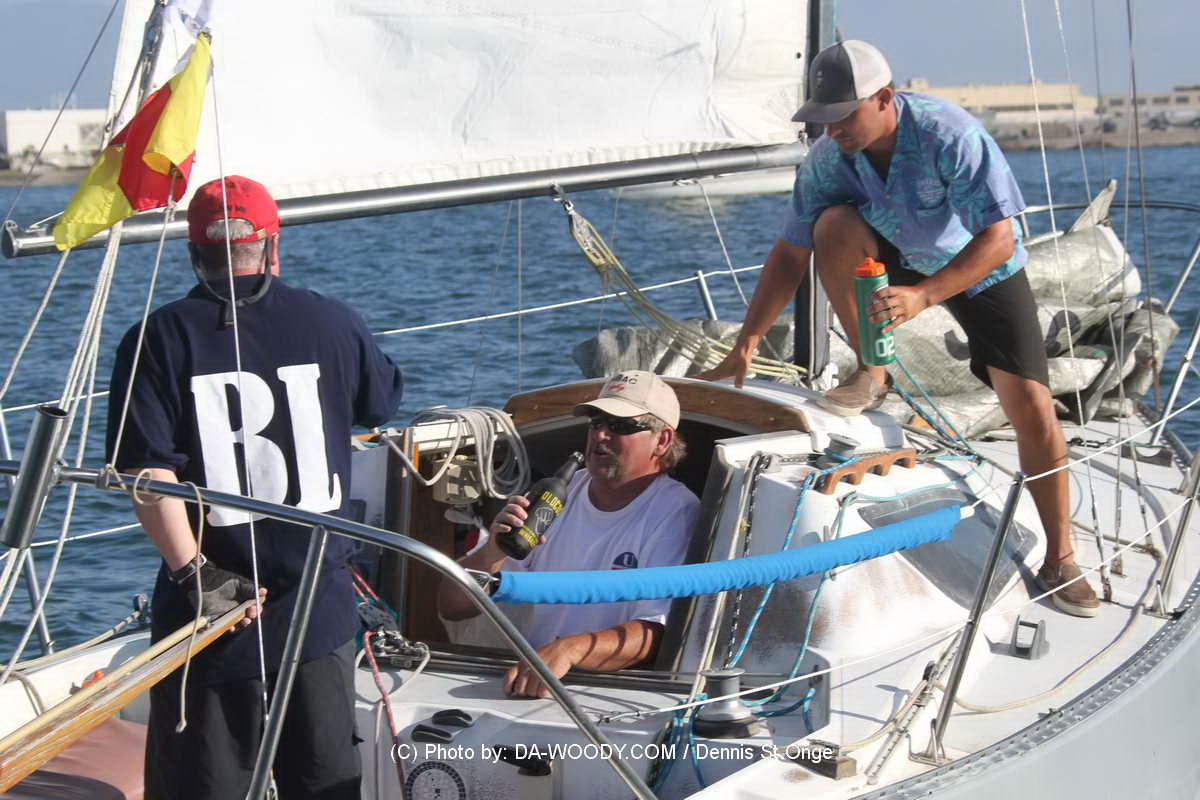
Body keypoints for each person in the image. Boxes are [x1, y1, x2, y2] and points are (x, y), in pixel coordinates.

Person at [701, 40, 1097, 618]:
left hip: (978, 264)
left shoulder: (949, 135)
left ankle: (1061, 558)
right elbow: (790, 254)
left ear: (884, 98)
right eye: (823, 119)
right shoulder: (828, 160)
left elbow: (999, 238)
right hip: (895, 253)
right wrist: (746, 345)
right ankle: (873, 369)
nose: (832, 130)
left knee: (1031, 408)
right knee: (832, 226)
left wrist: (925, 295)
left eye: (843, 116)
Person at [105, 175, 404, 799]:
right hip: (317, 614)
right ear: (273, 246)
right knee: (323, 786)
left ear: (195, 253)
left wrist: (198, 578)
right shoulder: (335, 321)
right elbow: (379, 405)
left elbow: (148, 475)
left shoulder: (157, 339)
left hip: (214, 619)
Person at [437, 370, 699, 697]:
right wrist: (493, 552)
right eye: (596, 422)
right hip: (529, 678)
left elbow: (654, 634)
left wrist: (569, 651)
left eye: (620, 425)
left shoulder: (676, 513)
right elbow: (452, 606)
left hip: (610, 694)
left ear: (662, 440)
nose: (600, 434)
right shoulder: (559, 494)